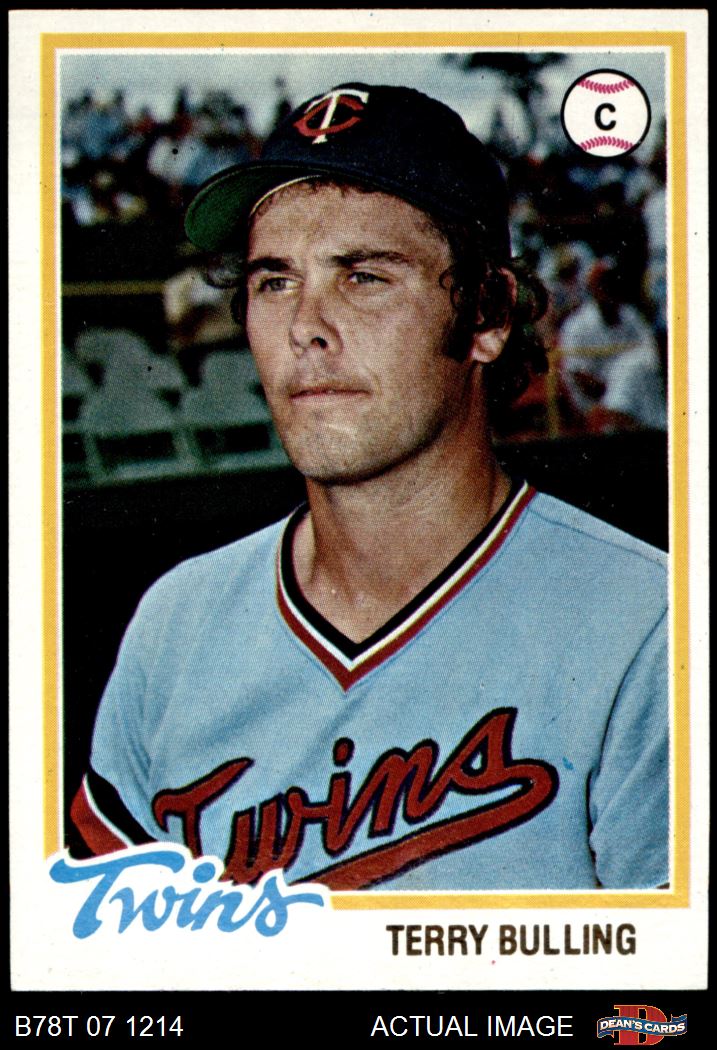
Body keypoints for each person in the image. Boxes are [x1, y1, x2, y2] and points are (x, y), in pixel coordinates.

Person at [70, 84, 668, 891]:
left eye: (362, 277)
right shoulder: (174, 621)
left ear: (488, 312)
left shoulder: (646, 625)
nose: (304, 328)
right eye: (274, 281)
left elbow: (660, 976)